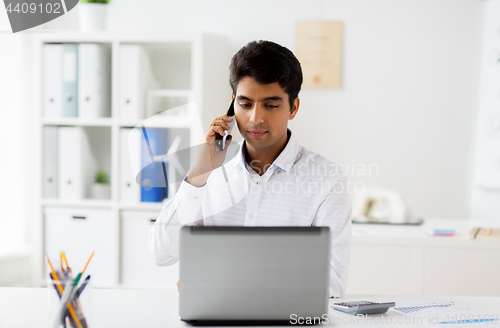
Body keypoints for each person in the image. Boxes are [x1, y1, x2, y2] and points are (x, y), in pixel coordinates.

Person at [149, 40, 352, 298]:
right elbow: (161, 254)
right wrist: (199, 174)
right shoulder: (208, 174)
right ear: (232, 105)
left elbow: (332, 282)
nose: (256, 118)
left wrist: (224, 280)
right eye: (245, 104)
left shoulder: (328, 180)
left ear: (293, 107)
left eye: (271, 105)